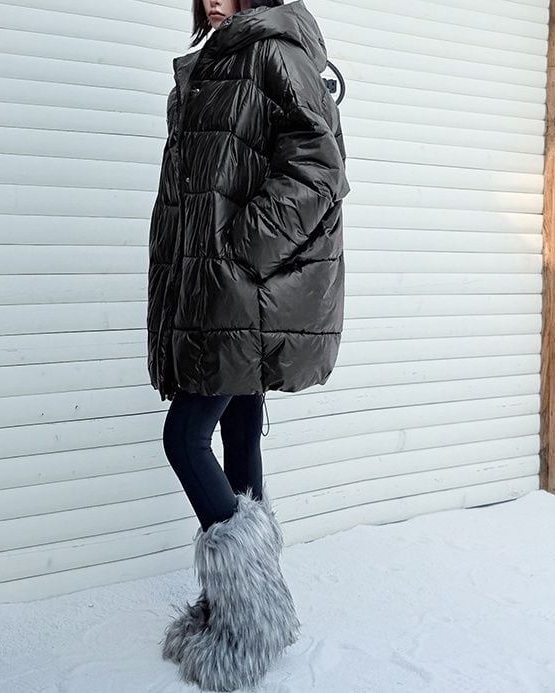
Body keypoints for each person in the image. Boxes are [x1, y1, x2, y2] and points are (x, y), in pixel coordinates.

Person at [146, 0, 351, 689]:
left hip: (236, 290)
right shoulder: (218, 56)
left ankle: (249, 613)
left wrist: (241, 250)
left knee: (184, 439)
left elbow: (319, 168)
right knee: (237, 435)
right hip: (219, 290)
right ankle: (246, 609)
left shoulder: (270, 51)